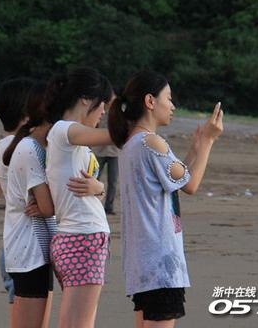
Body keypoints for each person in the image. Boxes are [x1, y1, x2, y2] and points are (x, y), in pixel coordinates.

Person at [107, 70, 224, 328]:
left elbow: (177, 179)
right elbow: (191, 185)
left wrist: (195, 150)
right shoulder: (152, 143)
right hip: (160, 261)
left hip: (143, 261)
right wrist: (208, 141)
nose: (172, 106)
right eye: (168, 98)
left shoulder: (132, 143)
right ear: (150, 101)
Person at [44, 67, 114, 328]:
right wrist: (139, 120)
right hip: (83, 238)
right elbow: (114, 136)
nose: (103, 111)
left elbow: (90, 190)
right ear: (85, 99)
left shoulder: (68, 136)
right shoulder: (65, 130)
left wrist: (99, 188)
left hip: (79, 237)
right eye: (103, 103)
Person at [2, 81, 57, 328]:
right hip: (28, 253)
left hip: (38, 251)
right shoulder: (30, 148)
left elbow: (47, 206)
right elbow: (47, 208)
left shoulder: (43, 146)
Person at [0, 77, 35, 310]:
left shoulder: (7, 144)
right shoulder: (20, 146)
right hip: (24, 247)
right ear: (26, 113)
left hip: (15, 242)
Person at [92, 116, 119, 215]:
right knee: (94, 179)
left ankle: (109, 207)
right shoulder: (99, 111)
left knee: (113, 181)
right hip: (99, 151)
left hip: (114, 152)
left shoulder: (118, 113)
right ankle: (94, 205)